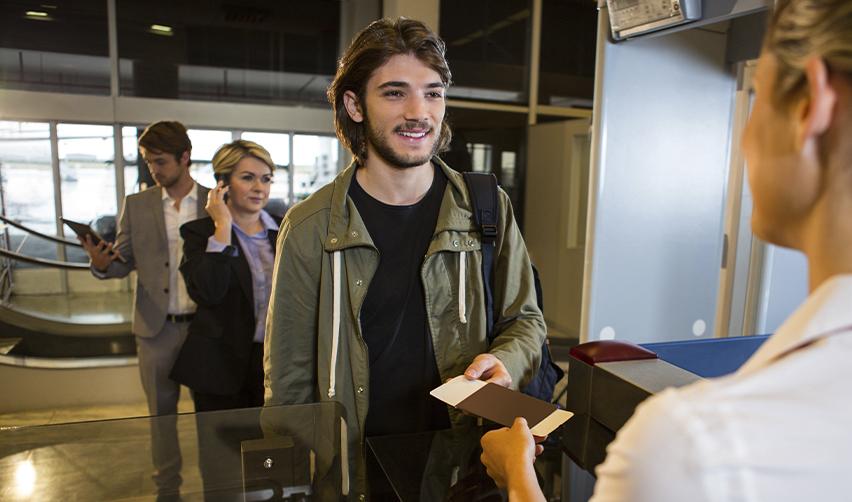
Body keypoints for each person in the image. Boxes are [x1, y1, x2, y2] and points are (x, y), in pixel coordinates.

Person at [480, 0, 852, 500]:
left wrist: (516, 475)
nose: (745, 139)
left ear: (811, 109)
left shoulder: (693, 446)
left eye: (760, 96)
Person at [264, 17, 546, 495]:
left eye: (433, 93)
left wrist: (506, 363)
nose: (420, 112)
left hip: (464, 465)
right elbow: (288, 378)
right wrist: (294, 480)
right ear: (354, 105)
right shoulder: (311, 226)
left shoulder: (485, 206)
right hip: (356, 470)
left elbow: (527, 320)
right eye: (395, 93)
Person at [81, 120, 209, 500]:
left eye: (161, 161)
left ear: (185, 158)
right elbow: (124, 263)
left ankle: (217, 487)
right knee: (161, 419)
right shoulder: (135, 206)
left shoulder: (213, 201)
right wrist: (101, 262)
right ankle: (167, 491)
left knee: (210, 417)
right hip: (156, 331)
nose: (154, 169)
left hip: (204, 330)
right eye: (149, 162)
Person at [169, 139, 279, 500]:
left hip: (270, 366)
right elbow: (208, 293)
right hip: (219, 368)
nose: (259, 187)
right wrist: (222, 227)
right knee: (222, 469)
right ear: (223, 184)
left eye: (266, 178)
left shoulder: (283, 232)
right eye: (248, 177)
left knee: (269, 461)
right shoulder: (200, 233)